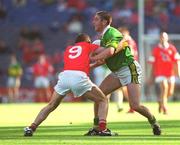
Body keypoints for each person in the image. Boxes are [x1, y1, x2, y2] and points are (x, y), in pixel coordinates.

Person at [85, 11, 161, 136]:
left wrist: (92, 58)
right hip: (117, 71)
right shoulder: (103, 37)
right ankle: (97, 127)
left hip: (129, 69)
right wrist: (90, 67)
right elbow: (104, 58)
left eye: (96, 19)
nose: (93, 22)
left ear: (104, 22)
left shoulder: (112, 32)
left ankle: (153, 121)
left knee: (135, 105)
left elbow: (110, 51)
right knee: (99, 96)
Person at [24, 33, 113, 136]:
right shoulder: (88, 45)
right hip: (79, 78)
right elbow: (106, 51)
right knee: (103, 100)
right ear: (87, 42)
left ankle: (32, 127)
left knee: (51, 105)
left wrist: (96, 64)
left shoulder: (69, 49)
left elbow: (78, 66)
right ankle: (102, 129)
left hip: (65, 77)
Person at [148, 32, 180, 114]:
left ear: (167, 38)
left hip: (170, 73)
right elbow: (152, 64)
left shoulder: (172, 48)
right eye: (161, 37)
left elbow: (177, 61)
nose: (163, 38)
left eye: (164, 37)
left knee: (170, 92)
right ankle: (165, 108)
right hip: (160, 73)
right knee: (164, 88)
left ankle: (160, 100)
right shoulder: (156, 50)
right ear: (160, 38)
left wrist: (178, 72)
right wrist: (151, 76)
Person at [115, 26, 139, 113]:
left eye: (122, 34)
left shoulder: (127, 41)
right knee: (121, 88)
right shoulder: (130, 41)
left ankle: (133, 106)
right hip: (127, 67)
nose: (120, 36)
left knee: (125, 88)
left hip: (129, 67)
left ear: (126, 33)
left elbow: (131, 53)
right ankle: (125, 105)